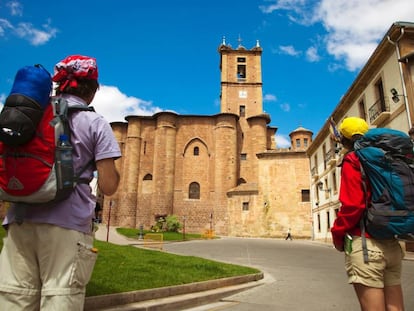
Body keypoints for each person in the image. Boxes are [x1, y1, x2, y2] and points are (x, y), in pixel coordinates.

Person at [0, 55, 121, 310]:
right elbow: (108, 186)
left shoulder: (31, 116)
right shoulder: (94, 121)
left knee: (14, 300)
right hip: (66, 225)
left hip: (20, 219)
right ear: (92, 89)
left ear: (60, 84)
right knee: (60, 299)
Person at [331, 117, 405, 311]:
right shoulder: (387, 157)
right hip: (392, 244)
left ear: (344, 140)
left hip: (366, 245)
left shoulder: (354, 159)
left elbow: (353, 206)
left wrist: (337, 234)